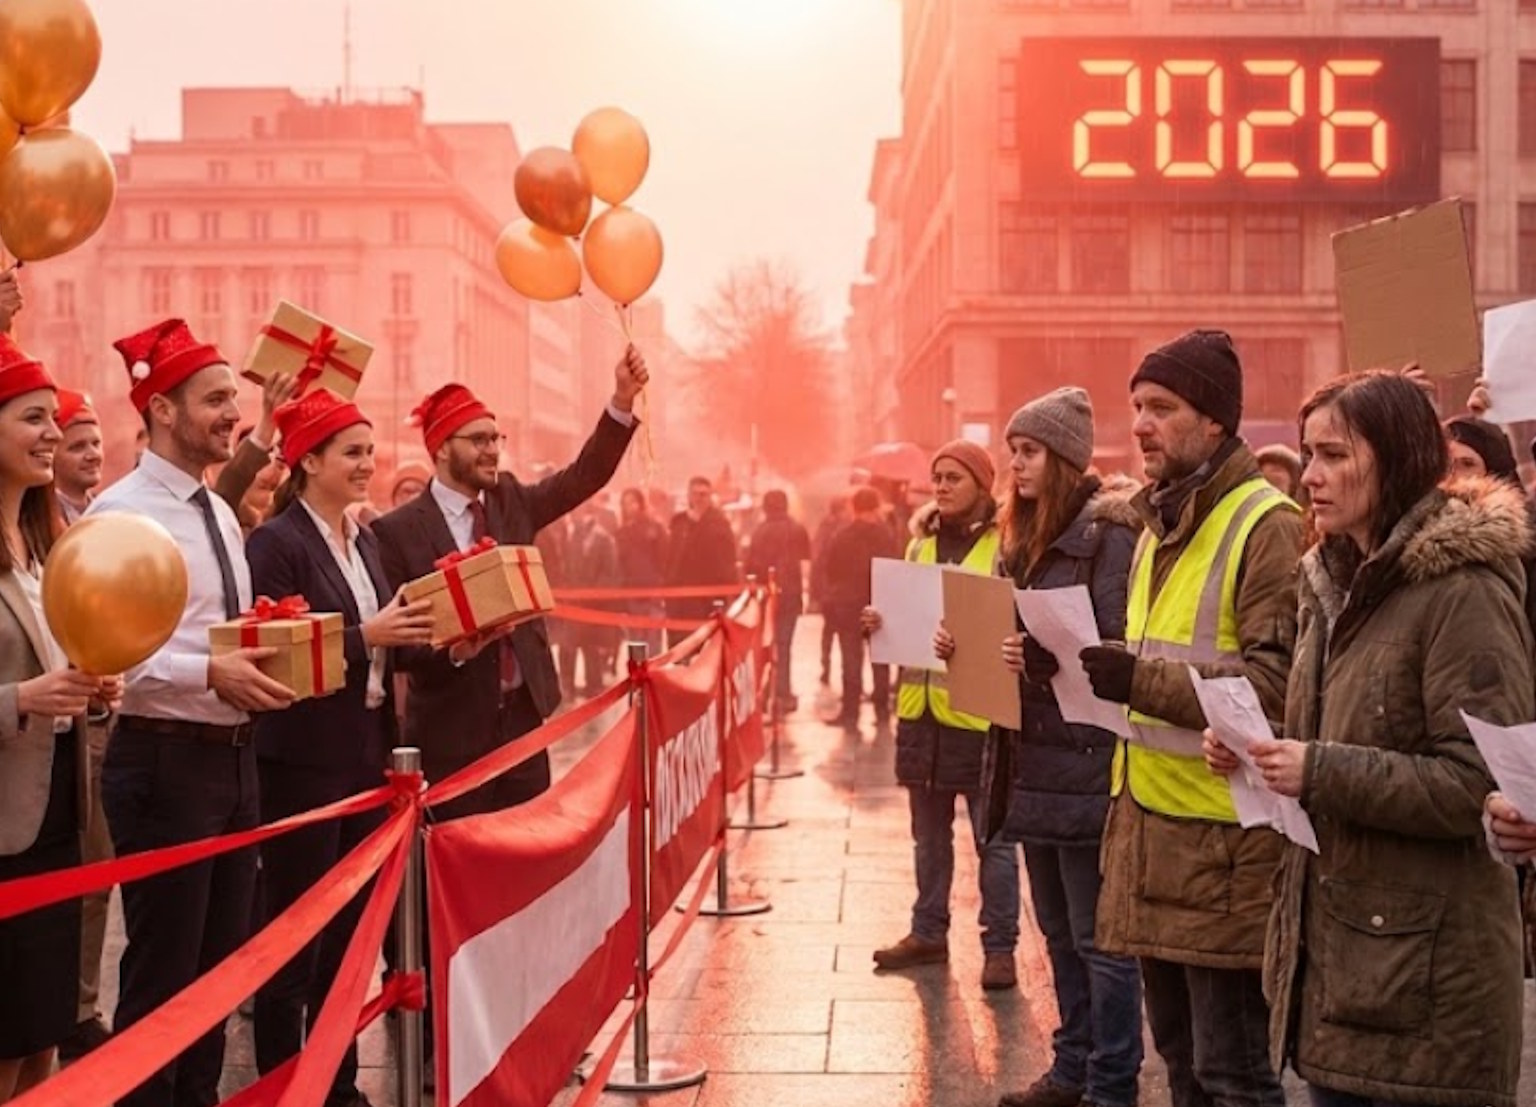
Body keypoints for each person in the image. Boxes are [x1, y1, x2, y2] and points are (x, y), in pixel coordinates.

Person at [1211, 371, 1534, 1106]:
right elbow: (1333, 729)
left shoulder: (1464, 587)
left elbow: (1474, 783)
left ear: (1396, 457)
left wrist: (1315, 769)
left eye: (1333, 455)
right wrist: (1257, 752)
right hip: (1347, 963)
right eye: (1307, 454)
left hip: (1426, 982)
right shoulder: (1328, 577)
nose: (1311, 477)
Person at [1083, 330, 1302, 1107]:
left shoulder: (1264, 522)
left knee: (1233, 1074)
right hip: (1153, 833)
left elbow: (1277, 684)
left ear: (1215, 422)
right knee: (1179, 1063)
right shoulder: (1157, 522)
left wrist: (1139, 678)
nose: (1141, 423)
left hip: (1226, 851)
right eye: (1137, 405)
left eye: (1162, 407)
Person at [90, 318, 296, 1107]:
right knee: (163, 979)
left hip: (232, 761)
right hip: (164, 762)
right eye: (214, 400)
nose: (230, 415)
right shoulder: (121, 514)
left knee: (217, 977)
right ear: (162, 409)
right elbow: (107, 651)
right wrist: (209, 671)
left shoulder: (212, 506)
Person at [246, 390, 435, 1107]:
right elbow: (278, 655)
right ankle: (282, 1083)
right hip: (301, 764)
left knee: (354, 938)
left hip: (367, 757)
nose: (368, 463)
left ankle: (338, 1082)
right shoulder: (276, 544)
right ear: (308, 460)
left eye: (369, 449)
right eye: (351, 452)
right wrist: (368, 639)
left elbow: (391, 641)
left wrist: (441, 641)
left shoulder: (364, 538)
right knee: (296, 937)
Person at [373, 346, 646, 819]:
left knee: (527, 854)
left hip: (522, 720)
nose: (493, 449)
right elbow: (395, 644)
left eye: (495, 438)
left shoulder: (510, 501)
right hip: (450, 731)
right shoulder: (395, 532)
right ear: (442, 448)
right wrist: (455, 651)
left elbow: (584, 477)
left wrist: (621, 401)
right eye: (478, 440)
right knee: (458, 863)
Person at [984, 389, 1143, 1107]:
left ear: (1065, 458)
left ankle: (1112, 1080)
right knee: (1054, 929)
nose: (1015, 464)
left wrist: (1050, 655)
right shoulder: (1016, 535)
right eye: (1013, 449)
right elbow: (1002, 630)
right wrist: (972, 646)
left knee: (1098, 936)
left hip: (1084, 759)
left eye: (1029, 451)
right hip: (1028, 759)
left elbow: (1120, 642)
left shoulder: (1107, 536)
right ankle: (1070, 1065)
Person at [0, 335, 120, 1102]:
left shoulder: (44, 543)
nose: (54, 432)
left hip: (55, 822)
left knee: (43, 1035)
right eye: (34, 418)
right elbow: (24, 685)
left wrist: (87, 688)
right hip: (3, 830)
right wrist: (21, 699)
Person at [863, 441, 1019, 989]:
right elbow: (905, 623)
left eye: (954, 477)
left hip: (976, 717)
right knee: (927, 838)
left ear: (982, 483)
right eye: (937, 477)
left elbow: (1013, 621)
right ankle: (928, 931)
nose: (942, 486)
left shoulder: (1006, 546)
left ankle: (1000, 948)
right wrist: (878, 622)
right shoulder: (917, 545)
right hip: (920, 714)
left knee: (992, 842)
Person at [46, 387, 112, 1064]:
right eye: (77, 441)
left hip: (98, 720)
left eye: (96, 441)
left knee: (98, 874)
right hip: (46, 728)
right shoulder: (41, 526)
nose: (92, 452)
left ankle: (79, 1005)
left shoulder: (103, 519)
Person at [824, 486, 899, 728]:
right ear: (875, 507)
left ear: (853, 507)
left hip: (848, 606)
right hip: (879, 604)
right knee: (880, 659)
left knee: (850, 659)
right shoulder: (886, 534)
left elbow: (830, 567)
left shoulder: (842, 534)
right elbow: (895, 566)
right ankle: (881, 711)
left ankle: (850, 713)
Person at [745, 489, 812, 712]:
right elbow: (806, 560)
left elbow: (750, 565)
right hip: (791, 595)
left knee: (765, 645)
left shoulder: (759, 532)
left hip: (766, 597)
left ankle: (765, 692)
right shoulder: (797, 529)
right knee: (785, 646)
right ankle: (783, 692)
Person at [213, 373, 299, 535]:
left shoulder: (286, 526)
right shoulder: (222, 514)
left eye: (283, 453)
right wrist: (269, 419)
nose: (278, 460)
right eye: (270, 450)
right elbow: (231, 483)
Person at [664, 476, 738, 645]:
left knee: (706, 648)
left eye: (704, 494)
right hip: (678, 599)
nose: (699, 499)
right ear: (689, 495)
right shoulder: (679, 522)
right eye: (695, 494)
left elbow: (726, 560)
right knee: (679, 647)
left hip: (707, 599)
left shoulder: (719, 523)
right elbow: (670, 557)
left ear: (710, 496)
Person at [567, 503, 621, 696]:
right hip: (573, 602)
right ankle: (569, 686)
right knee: (570, 645)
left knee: (592, 648)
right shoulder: (573, 536)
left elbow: (610, 573)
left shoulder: (604, 539)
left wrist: (592, 593)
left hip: (593, 603)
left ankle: (594, 685)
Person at [616, 486, 668, 653]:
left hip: (654, 593)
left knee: (653, 642)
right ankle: (638, 677)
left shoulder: (655, 528)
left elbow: (664, 560)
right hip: (632, 594)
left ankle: (655, 676)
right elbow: (619, 565)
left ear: (640, 503)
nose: (629, 506)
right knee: (636, 641)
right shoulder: (621, 533)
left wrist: (661, 586)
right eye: (625, 503)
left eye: (632, 502)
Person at [811, 495, 850, 686]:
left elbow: (817, 561)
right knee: (845, 635)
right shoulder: (846, 529)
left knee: (828, 633)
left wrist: (815, 593)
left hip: (829, 591)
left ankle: (826, 669)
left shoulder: (824, 528)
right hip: (841, 591)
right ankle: (842, 673)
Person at [51, 390, 102, 526]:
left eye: (96, 444)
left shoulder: (109, 507)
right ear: (51, 454)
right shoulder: (42, 519)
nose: (93, 455)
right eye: (78, 447)